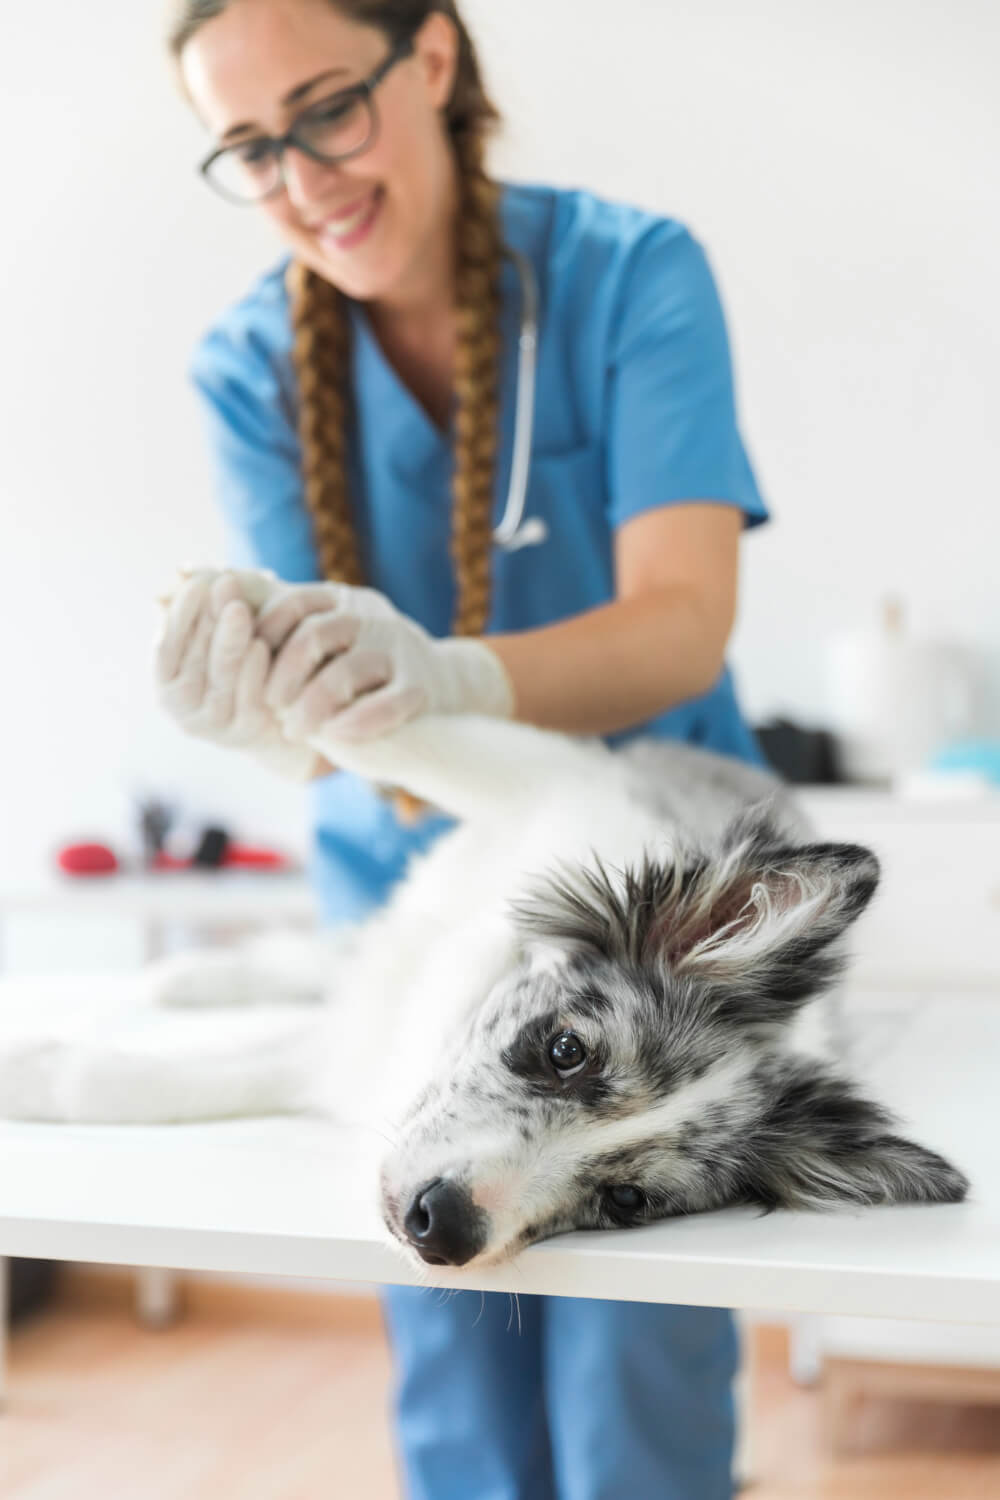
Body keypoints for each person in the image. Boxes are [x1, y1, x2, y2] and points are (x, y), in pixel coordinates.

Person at [157, 3, 770, 1496]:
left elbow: (682, 624)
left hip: (643, 928)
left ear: (430, 58)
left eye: (324, 111)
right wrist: (264, 718)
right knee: (455, 1343)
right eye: (247, 147)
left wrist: (452, 674)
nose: (300, 177)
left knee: (636, 1353)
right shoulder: (249, 366)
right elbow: (335, 740)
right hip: (417, 918)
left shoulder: (632, 277)